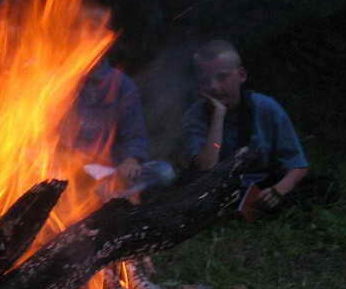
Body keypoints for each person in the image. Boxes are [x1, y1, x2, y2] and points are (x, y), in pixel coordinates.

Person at [181, 39, 309, 210]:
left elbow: (298, 165)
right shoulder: (195, 116)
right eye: (205, 80)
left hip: (263, 186)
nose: (214, 87)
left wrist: (278, 190)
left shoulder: (266, 108)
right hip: (216, 191)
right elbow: (206, 167)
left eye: (222, 77)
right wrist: (218, 115)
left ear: (241, 75)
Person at [60, 56, 177, 201]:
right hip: (76, 172)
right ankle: (110, 197)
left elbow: (134, 134)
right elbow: (55, 143)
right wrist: (80, 169)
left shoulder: (123, 85)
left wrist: (131, 159)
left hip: (113, 170)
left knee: (164, 172)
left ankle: (116, 197)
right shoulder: (63, 83)